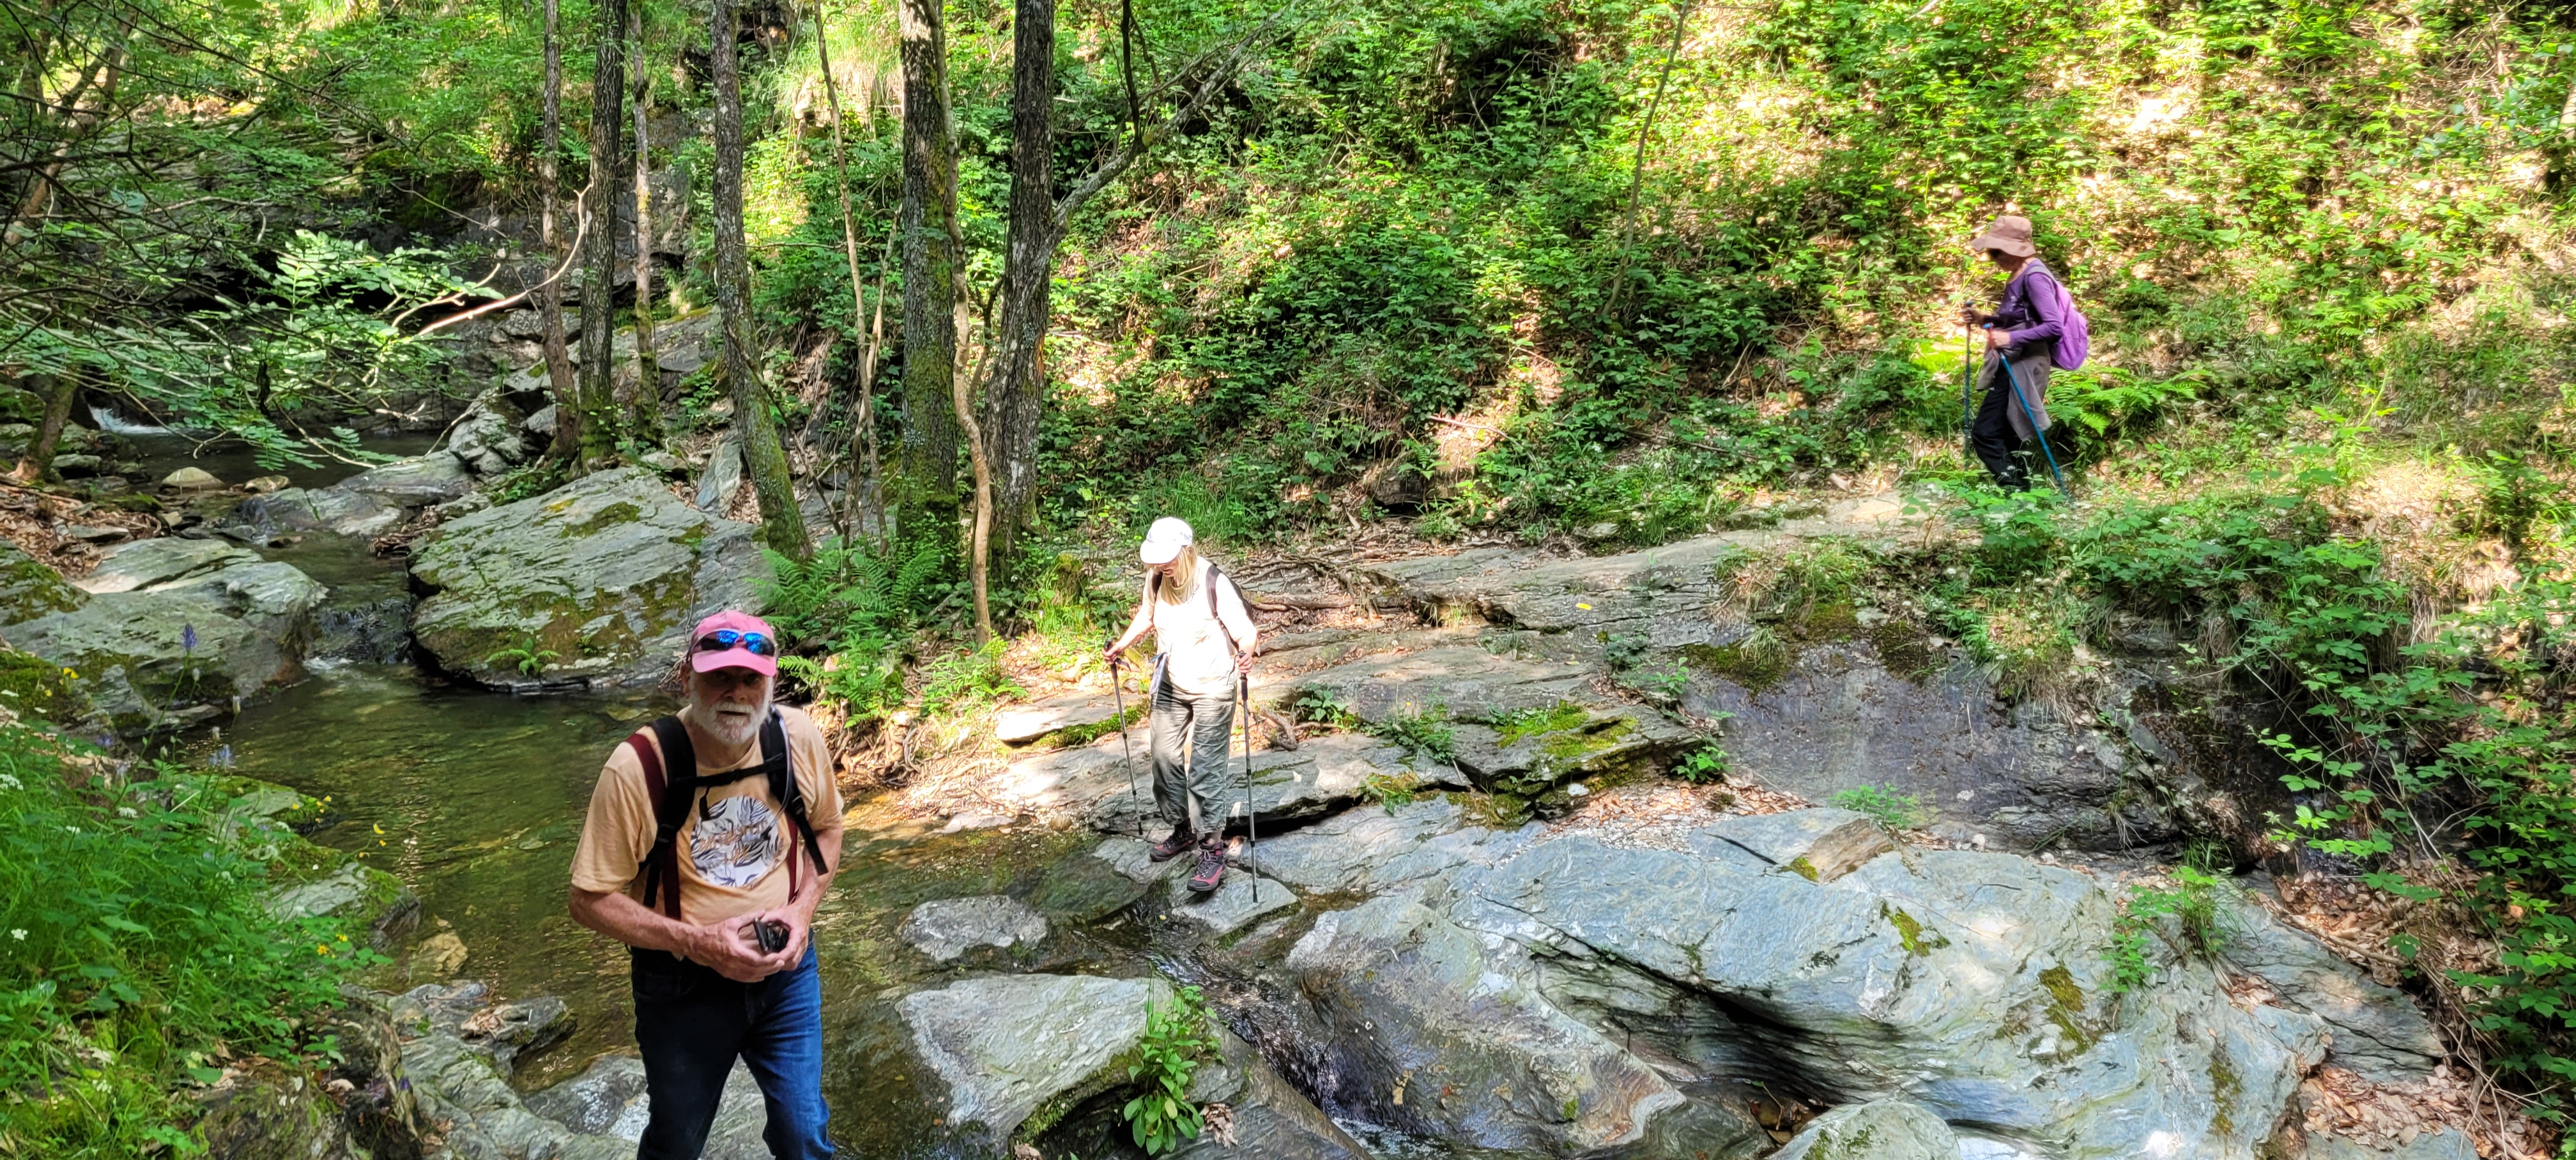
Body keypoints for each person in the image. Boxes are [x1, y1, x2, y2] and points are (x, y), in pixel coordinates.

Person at [567, 611, 845, 1160]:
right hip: (682, 988)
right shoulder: (639, 768)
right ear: (686, 678)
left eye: (750, 679)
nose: (735, 693)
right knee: (677, 1142)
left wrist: (802, 913)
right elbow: (588, 900)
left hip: (786, 972)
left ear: (771, 682)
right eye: (719, 677)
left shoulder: (796, 738)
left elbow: (828, 830)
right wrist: (697, 942)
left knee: (803, 1133)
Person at [1103, 517, 1259, 894]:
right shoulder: (1157, 578)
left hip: (1213, 687)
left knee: (1205, 769)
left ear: (1187, 551)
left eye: (1167, 558)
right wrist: (1122, 645)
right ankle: (1183, 829)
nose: (1161, 565)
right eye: (1156, 560)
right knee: (1163, 757)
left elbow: (1247, 632)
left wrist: (1247, 653)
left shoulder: (1213, 581)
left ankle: (1212, 848)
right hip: (1172, 682)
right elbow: (1147, 616)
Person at [1958, 213, 2065, 491]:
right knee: (2007, 433)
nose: (1993, 258)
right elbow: (2018, 319)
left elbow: (2054, 327)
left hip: (2025, 364)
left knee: (1985, 434)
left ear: (2014, 249)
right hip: (2014, 361)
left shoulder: (2035, 277)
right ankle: (2023, 500)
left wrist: (2010, 337)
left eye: (1997, 251)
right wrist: (1983, 320)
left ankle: (2017, 492)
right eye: (1991, 252)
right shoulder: (2019, 274)